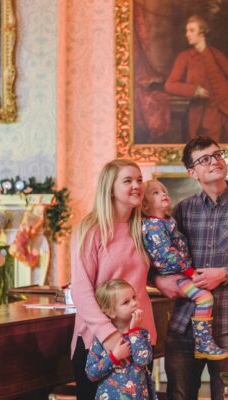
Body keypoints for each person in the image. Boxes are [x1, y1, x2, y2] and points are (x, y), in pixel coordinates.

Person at [154, 136, 228, 400]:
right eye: (204, 159)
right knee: (179, 395)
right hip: (185, 325)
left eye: (217, 154)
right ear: (192, 172)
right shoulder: (182, 211)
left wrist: (225, 274)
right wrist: (160, 281)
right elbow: (162, 257)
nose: (214, 161)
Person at [70, 159, 156, 400]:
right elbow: (81, 290)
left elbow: (157, 274)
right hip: (98, 341)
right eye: (128, 181)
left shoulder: (144, 229)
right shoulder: (90, 229)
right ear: (110, 188)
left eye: (139, 180)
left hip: (139, 338)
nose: (137, 185)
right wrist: (110, 336)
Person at [142, 179, 228, 360]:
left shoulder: (167, 221)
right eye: (155, 193)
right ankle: (203, 343)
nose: (163, 194)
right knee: (205, 298)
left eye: (163, 190)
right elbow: (168, 256)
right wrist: (190, 272)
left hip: (179, 273)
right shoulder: (152, 226)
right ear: (145, 205)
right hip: (175, 275)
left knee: (205, 297)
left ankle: (203, 342)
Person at [164, 15, 228, 143]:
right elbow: (169, 85)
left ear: (202, 33)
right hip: (204, 115)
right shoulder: (184, 57)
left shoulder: (217, 55)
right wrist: (193, 90)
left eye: (191, 30)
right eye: (186, 31)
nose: (187, 34)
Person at [86, 279, 157, 400]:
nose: (134, 303)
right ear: (111, 312)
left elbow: (143, 360)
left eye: (134, 297)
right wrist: (114, 357)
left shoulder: (142, 334)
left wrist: (134, 331)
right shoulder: (101, 340)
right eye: (126, 302)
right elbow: (91, 373)